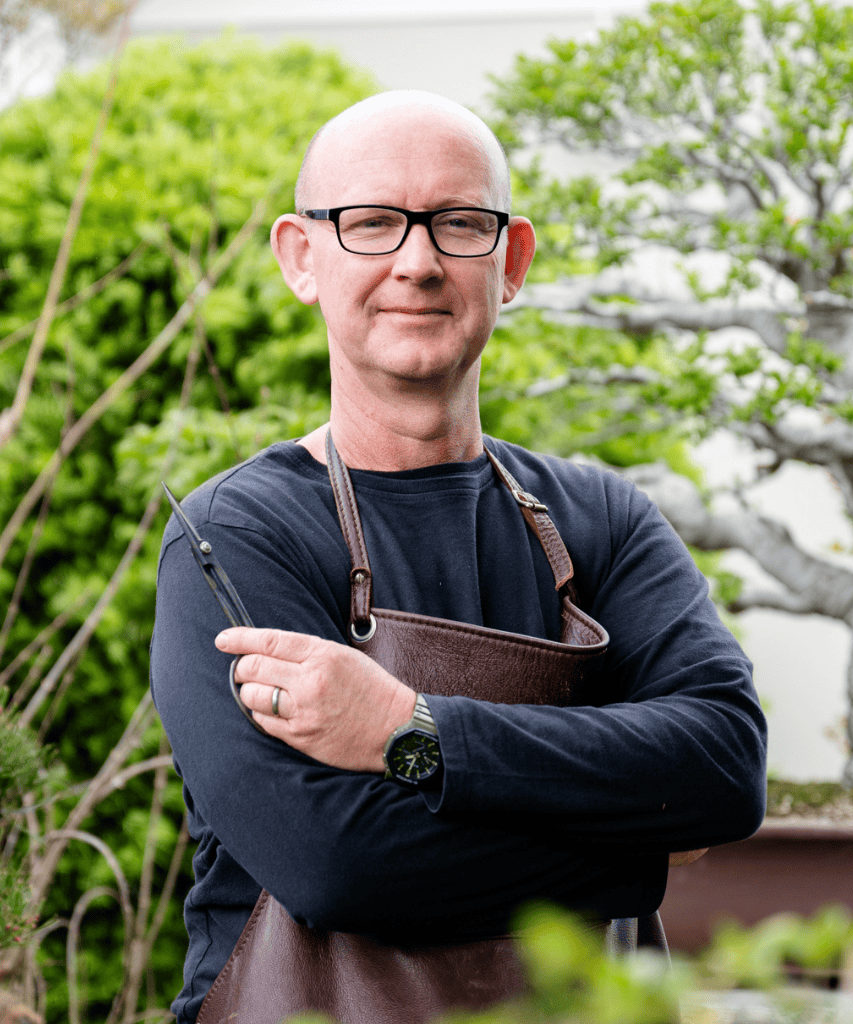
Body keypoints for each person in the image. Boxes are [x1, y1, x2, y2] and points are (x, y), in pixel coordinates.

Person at [150, 90, 767, 1024]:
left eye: (459, 224)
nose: (418, 261)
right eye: (371, 223)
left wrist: (414, 730)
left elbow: (723, 766)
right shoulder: (241, 533)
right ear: (300, 257)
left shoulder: (602, 517)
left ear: (510, 260)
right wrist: (637, 851)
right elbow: (338, 864)